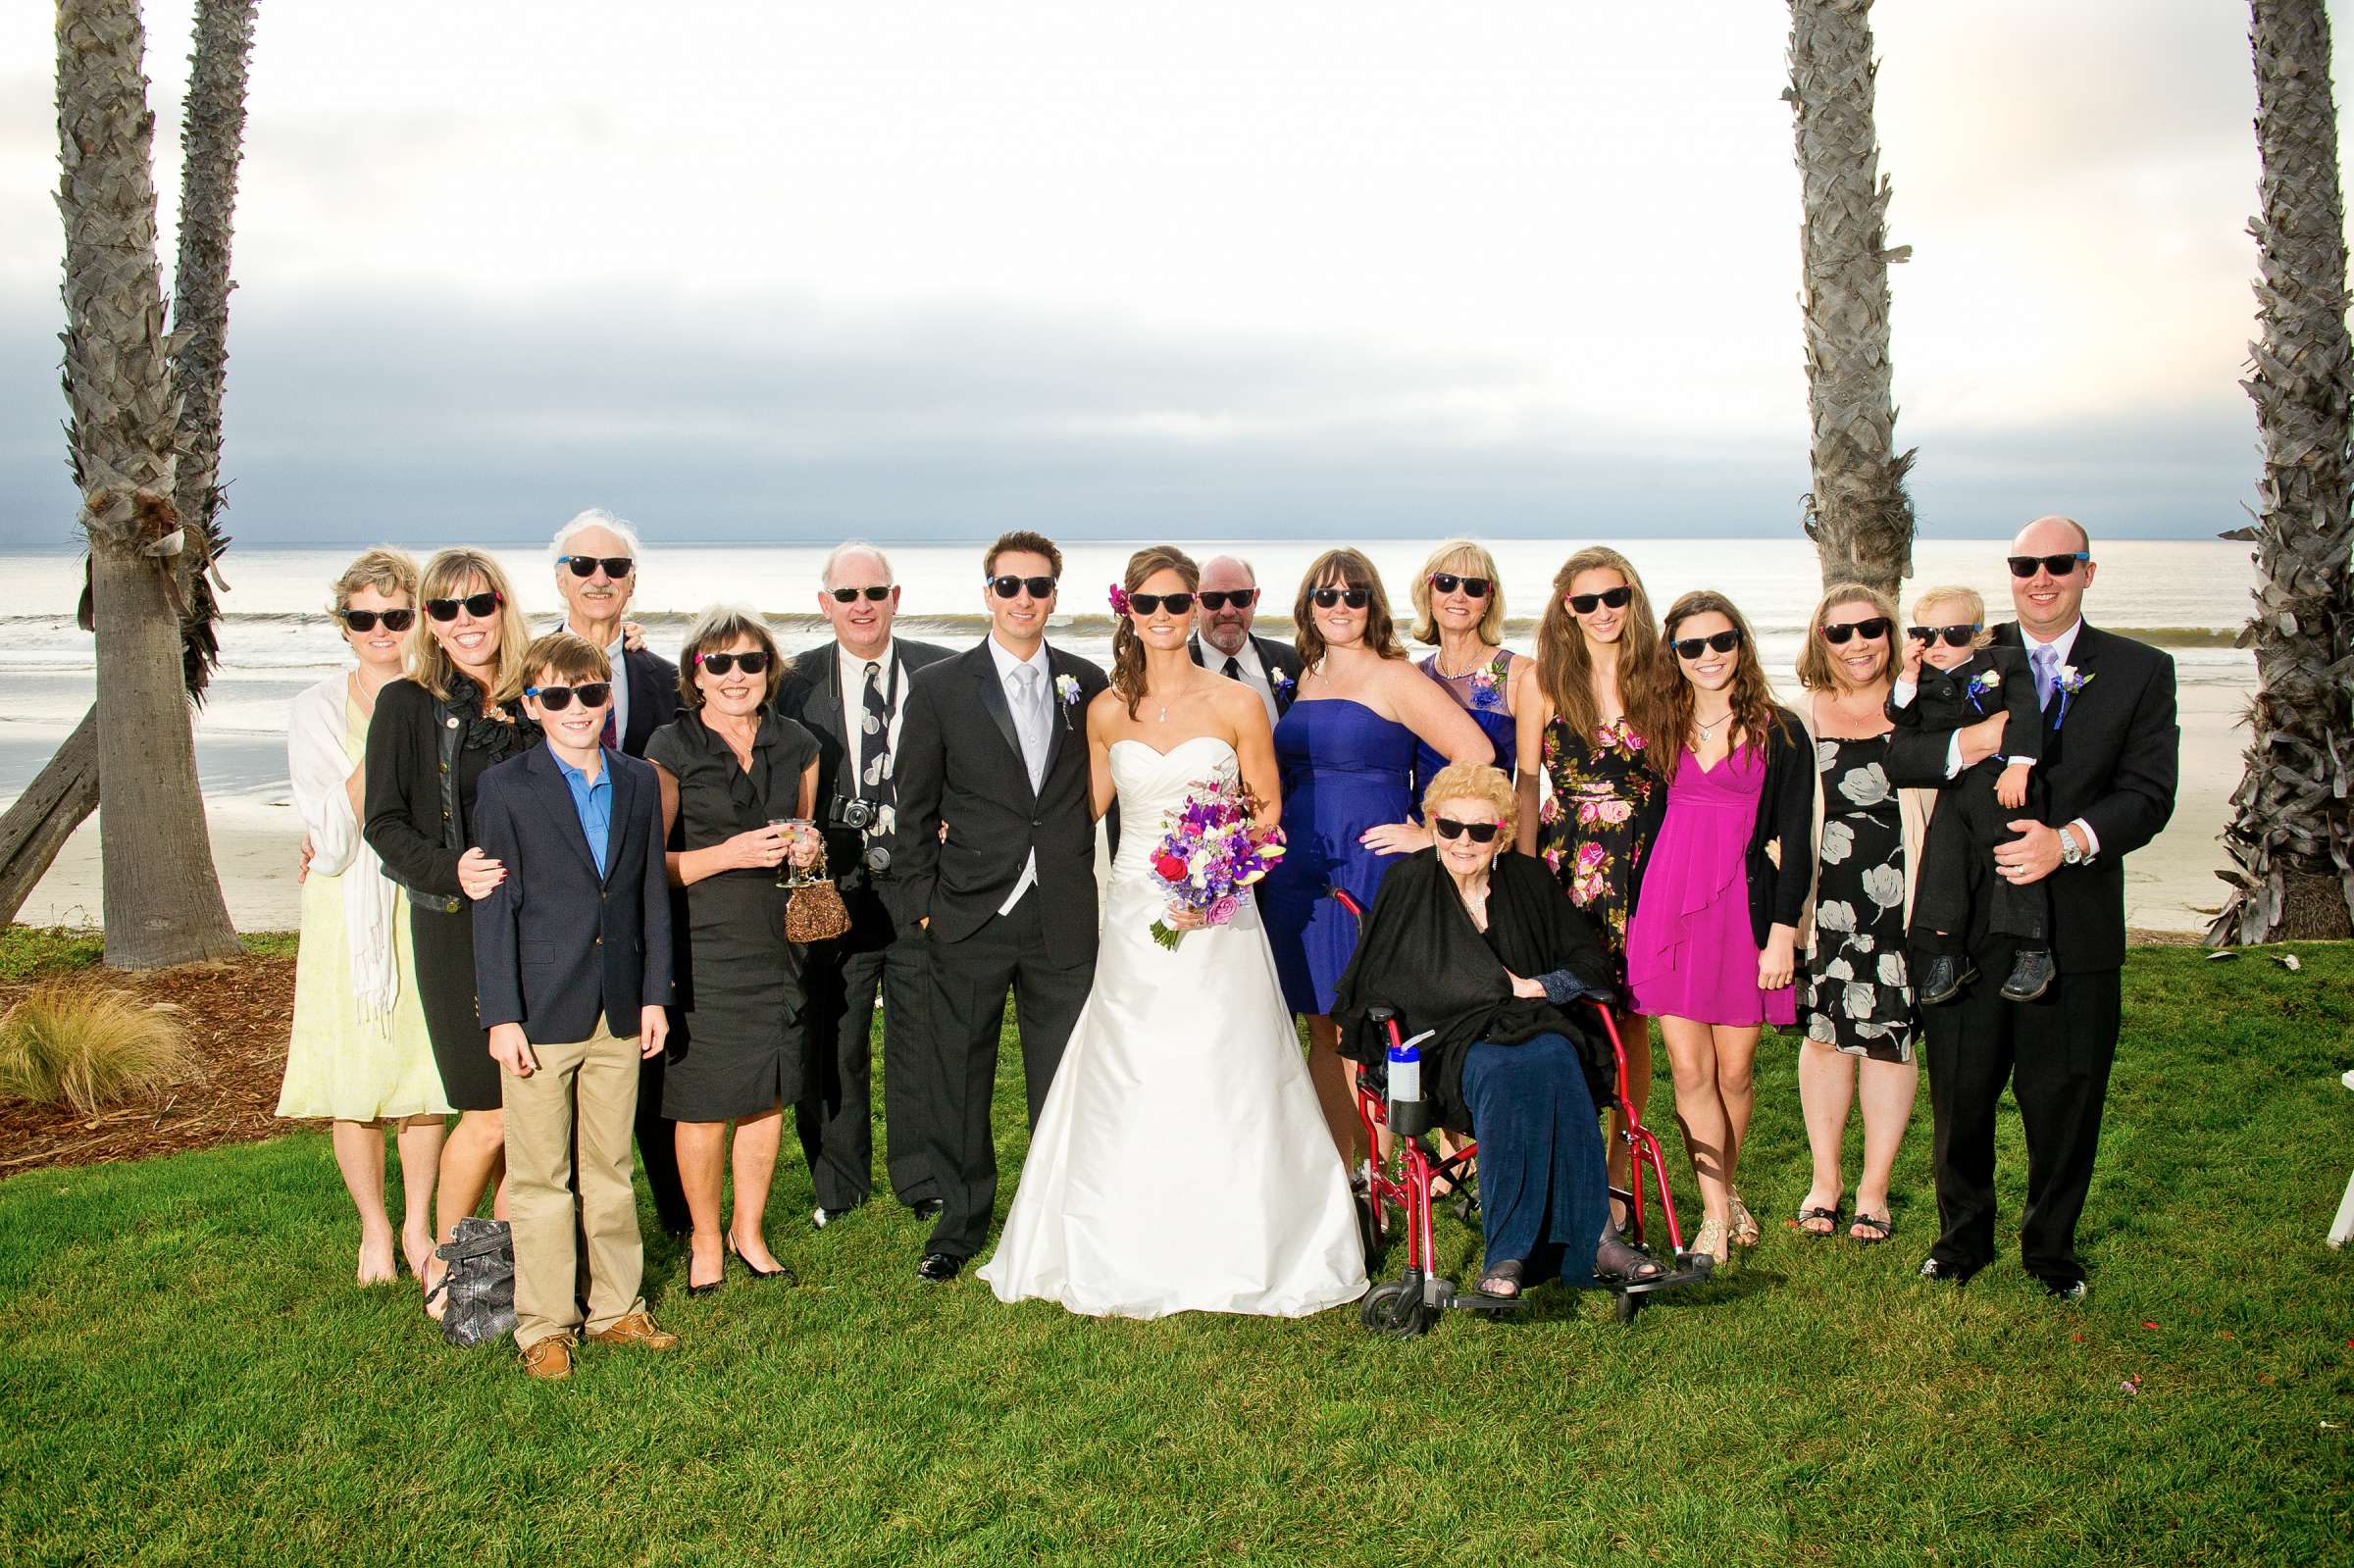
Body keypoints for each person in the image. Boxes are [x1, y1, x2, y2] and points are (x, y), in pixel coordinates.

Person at [977, 546, 1366, 1317]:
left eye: (1176, 604)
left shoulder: (1236, 705)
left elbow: (1265, 813)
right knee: (1132, 1060)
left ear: (1195, 607)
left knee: (1231, 1060)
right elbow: (1075, 812)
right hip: (1133, 911)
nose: (1162, 618)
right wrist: (980, 832)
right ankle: (1124, 1235)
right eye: (1147, 605)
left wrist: (1218, 881)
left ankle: (1254, 1238)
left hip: (1219, 915)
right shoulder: (1104, 710)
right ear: (1127, 610)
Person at [1896, 516, 2177, 1301]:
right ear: (2011, 573)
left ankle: (2051, 1250)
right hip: (1970, 925)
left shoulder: (2140, 670)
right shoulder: (1966, 655)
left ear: (2088, 571)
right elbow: (1909, 752)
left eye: (2058, 562)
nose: (2040, 576)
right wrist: (1975, 744)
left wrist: (2071, 840)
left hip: (2077, 921)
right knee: (1961, 1091)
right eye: (2025, 563)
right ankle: (1960, 1241)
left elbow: (2150, 796)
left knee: (2065, 1095)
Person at [1334, 764, 1661, 1298]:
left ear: (1502, 835)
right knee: (1508, 1068)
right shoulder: (1409, 883)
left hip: (1534, 1027)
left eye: (1481, 831)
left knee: (1556, 1056)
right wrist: (1488, 989)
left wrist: (1537, 986)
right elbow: (1382, 980)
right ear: (1432, 824)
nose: (1464, 842)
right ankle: (1520, 1247)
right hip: (1446, 1047)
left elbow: (1588, 960)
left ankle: (1587, 1239)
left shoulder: (1528, 881)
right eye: (1450, 828)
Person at [885, 530, 1111, 1283]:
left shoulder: (1088, 681)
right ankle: (960, 1220)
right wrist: (924, 905)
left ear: (1055, 595)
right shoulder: (943, 686)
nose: (1024, 599)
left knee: (1065, 1073)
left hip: (1063, 914)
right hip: (968, 912)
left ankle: (1056, 1216)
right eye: (1009, 585)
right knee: (959, 1075)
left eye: (1039, 586)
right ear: (987, 593)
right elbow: (910, 807)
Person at [471, 632, 678, 1379]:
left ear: (607, 696)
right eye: (556, 696)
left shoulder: (639, 780)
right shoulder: (507, 786)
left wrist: (656, 993)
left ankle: (618, 1306)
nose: (577, 708)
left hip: (620, 1008)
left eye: (590, 693)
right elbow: (492, 907)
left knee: (610, 1167)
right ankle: (545, 1322)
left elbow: (649, 894)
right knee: (538, 1176)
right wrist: (501, 1013)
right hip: (540, 1009)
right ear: (532, 704)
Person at [1257, 548, 1492, 1167]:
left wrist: (1428, 833)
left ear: (1373, 605)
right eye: (1325, 596)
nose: (1340, 607)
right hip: (1297, 870)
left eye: (1353, 596)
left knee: (1367, 1023)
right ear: (1308, 606)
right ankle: (1346, 1166)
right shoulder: (1306, 676)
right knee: (1319, 1023)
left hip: (1365, 866)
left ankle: (1383, 1168)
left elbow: (1475, 752)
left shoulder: (1394, 676)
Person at [364, 547, 537, 1319]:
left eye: (479, 604)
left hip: (539, 928)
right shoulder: (407, 704)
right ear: (428, 621)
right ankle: (441, 1258)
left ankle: (495, 1263)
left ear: (503, 604)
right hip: (458, 928)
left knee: (531, 1107)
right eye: (444, 609)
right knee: (490, 1105)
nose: (464, 623)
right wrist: (448, 870)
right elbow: (383, 823)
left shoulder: (535, 693)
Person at [1622, 590, 1814, 1264]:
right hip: (1668, 910)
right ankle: (1712, 1210)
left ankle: (1728, 1188)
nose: (1708, 657)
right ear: (1673, 654)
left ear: (1742, 643)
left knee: (1734, 1072)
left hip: (1744, 912)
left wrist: (1783, 932)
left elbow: (1796, 838)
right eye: (1692, 646)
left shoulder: (1780, 730)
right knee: (1688, 1068)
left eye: (1721, 641)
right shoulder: (1657, 726)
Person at [277, 547, 450, 1287]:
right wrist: (378, 743)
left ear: (417, 619)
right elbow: (329, 826)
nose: (380, 628)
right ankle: (373, 1231)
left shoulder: (439, 695)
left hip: (422, 897)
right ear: (343, 624)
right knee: (353, 1074)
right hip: (344, 904)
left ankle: (417, 1227)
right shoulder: (315, 708)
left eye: (396, 614)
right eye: (363, 616)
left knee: (423, 1070)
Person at [642, 608, 823, 1293]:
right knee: (704, 1101)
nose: (736, 675)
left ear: (768, 669)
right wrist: (728, 853)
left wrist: (809, 845)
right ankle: (706, 1241)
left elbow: (808, 833)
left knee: (766, 1094)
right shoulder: (671, 744)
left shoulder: (798, 741)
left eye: (750, 661)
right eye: (720, 663)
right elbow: (649, 864)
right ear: (697, 673)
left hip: (778, 946)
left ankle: (749, 1231)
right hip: (702, 946)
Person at [780, 544, 956, 1228]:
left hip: (916, 884)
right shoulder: (792, 681)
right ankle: (837, 1181)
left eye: (874, 592)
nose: (862, 605)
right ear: (824, 604)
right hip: (835, 888)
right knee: (834, 1036)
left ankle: (921, 1175)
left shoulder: (939, 671)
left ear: (896, 597)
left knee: (919, 1034)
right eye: (847, 594)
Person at [1513, 545, 1668, 1224]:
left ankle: (1617, 1173)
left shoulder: (1662, 676)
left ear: (1633, 599)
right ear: (1565, 608)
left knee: (1631, 1017)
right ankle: (1566, 1170)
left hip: (1647, 860)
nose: (1603, 612)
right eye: (1587, 601)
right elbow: (1525, 783)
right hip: (1565, 862)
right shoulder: (1545, 680)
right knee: (1567, 1012)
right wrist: (1517, 880)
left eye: (1616, 597)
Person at [550, 506, 689, 1237]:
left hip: (644, 903)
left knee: (654, 1067)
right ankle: (564, 1228)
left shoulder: (662, 677)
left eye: (615, 567)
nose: (600, 579)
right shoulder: (528, 672)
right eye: (585, 566)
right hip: (559, 911)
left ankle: (674, 1218)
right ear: (561, 579)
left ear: (632, 583)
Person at [1791, 584, 1932, 1243]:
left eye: (1870, 628)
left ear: (1891, 631)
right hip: (1828, 906)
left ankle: (1873, 1187)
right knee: (1823, 1039)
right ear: (1821, 640)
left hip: (1903, 904)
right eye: (1839, 632)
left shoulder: (1921, 711)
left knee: (1889, 1039)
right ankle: (1826, 1180)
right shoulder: (1801, 716)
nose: (1856, 643)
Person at [1890, 584, 2053, 1005]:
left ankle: (2032, 948)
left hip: (2000, 784)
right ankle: (1948, 952)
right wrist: (1907, 674)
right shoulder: (1920, 677)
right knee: (1942, 863)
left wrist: (2020, 764)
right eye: (1927, 634)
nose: (1939, 644)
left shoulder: (2004, 664)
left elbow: (2025, 713)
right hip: (1954, 791)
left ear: (1978, 636)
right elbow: (1900, 717)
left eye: (1955, 634)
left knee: (2014, 857)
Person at [1407, 538, 1530, 791]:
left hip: (1488, 829)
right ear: (1429, 593)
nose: (1459, 596)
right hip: (1420, 827)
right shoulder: (1414, 676)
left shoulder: (1519, 675)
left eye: (1474, 587)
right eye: (1446, 583)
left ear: (1488, 599)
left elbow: (1531, 781)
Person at [1188, 553, 1303, 726]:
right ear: (1195, 604)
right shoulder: (1173, 669)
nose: (1227, 611)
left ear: (1255, 600)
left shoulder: (1293, 661)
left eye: (1240, 598)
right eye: (1213, 599)